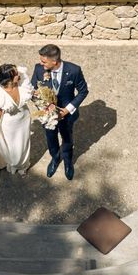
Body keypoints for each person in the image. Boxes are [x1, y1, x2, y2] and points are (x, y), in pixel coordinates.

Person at [31, 44, 88, 180]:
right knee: (50, 138)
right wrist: (41, 103)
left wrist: (67, 110)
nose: (40, 63)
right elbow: (32, 88)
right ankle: (55, 159)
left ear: (54, 62)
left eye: (44, 61)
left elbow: (83, 91)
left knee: (67, 138)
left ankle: (68, 161)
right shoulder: (39, 69)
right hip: (47, 116)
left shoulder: (74, 70)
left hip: (66, 116)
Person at [0, 64, 32, 175]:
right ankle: (14, 164)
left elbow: (32, 93)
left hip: (25, 119)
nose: (19, 74)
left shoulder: (22, 85)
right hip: (11, 125)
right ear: (8, 78)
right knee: (13, 147)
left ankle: (23, 165)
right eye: (15, 74)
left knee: (24, 144)